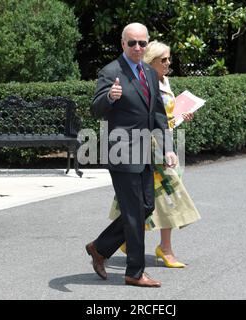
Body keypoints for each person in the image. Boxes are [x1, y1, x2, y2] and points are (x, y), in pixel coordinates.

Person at [86, 23, 177, 288]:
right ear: (122, 44)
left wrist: (168, 147)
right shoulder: (111, 71)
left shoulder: (149, 73)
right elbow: (95, 108)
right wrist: (110, 98)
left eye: (142, 43)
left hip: (144, 153)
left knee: (146, 207)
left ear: (147, 44)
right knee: (136, 213)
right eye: (132, 43)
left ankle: (100, 247)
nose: (137, 47)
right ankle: (134, 272)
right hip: (122, 152)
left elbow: (158, 115)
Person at [109, 40, 201, 268]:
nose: (168, 63)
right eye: (164, 60)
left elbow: (163, 116)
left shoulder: (164, 81)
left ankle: (140, 243)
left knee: (153, 198)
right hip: (151, 147)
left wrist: (180, 116)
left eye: (169, 58)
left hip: (167, 145)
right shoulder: (145, 83)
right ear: (151, 62)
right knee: (163, 197)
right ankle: (161, 248)